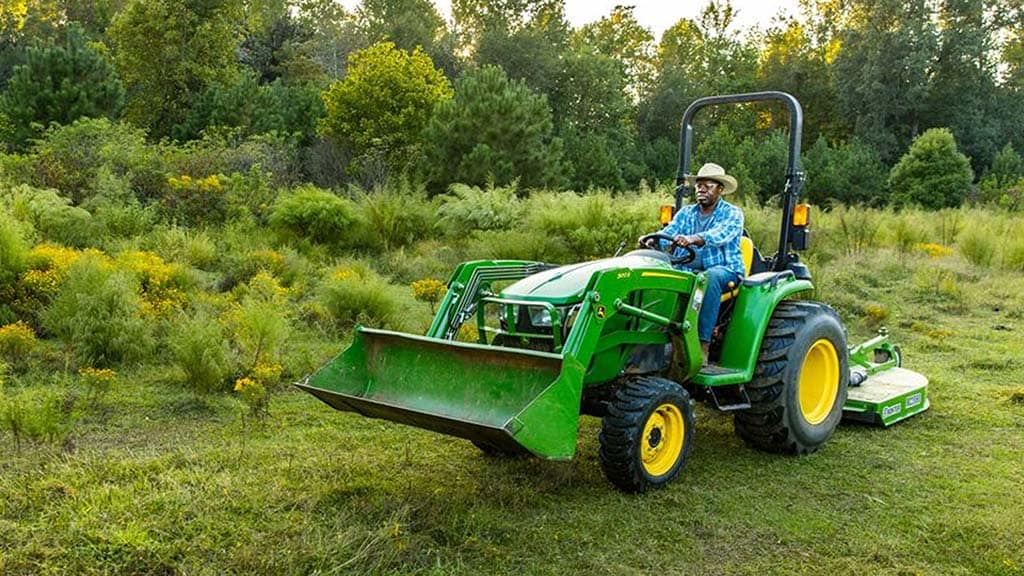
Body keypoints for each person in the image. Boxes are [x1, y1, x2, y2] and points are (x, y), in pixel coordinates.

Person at [642, 162, 745, 363]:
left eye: (709, 185)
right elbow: (669, 232)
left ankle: (702, 345)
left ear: (720, 189)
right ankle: (651, 342)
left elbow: (720, 234)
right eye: (699, 185)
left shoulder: (732, 213)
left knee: (709, 277)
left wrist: (694, 238)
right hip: (687, 268)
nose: (702, 189)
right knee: (657, 273)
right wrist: (653, 238)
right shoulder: (686, 213)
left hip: (725, 270)